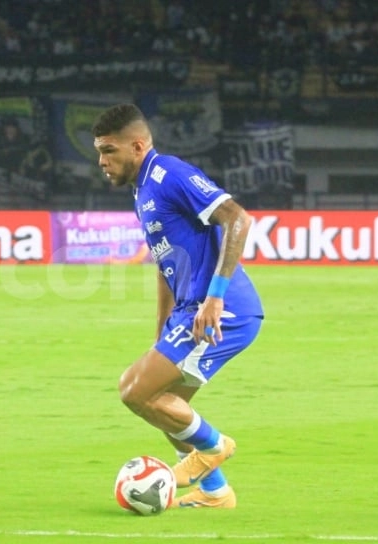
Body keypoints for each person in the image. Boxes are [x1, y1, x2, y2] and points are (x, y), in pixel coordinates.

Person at [91, 103, 264, 509]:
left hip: (223, 310)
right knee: (167, 405)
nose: (101, 161)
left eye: (108, 150)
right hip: (188, 311)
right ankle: (216, 492)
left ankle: (216, 446)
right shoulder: (142, 191)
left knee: (134, 391)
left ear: (137, 146)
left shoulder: (169, 174)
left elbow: (237, 219)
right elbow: (164, 264)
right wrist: (161, 330)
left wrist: (216, 296)